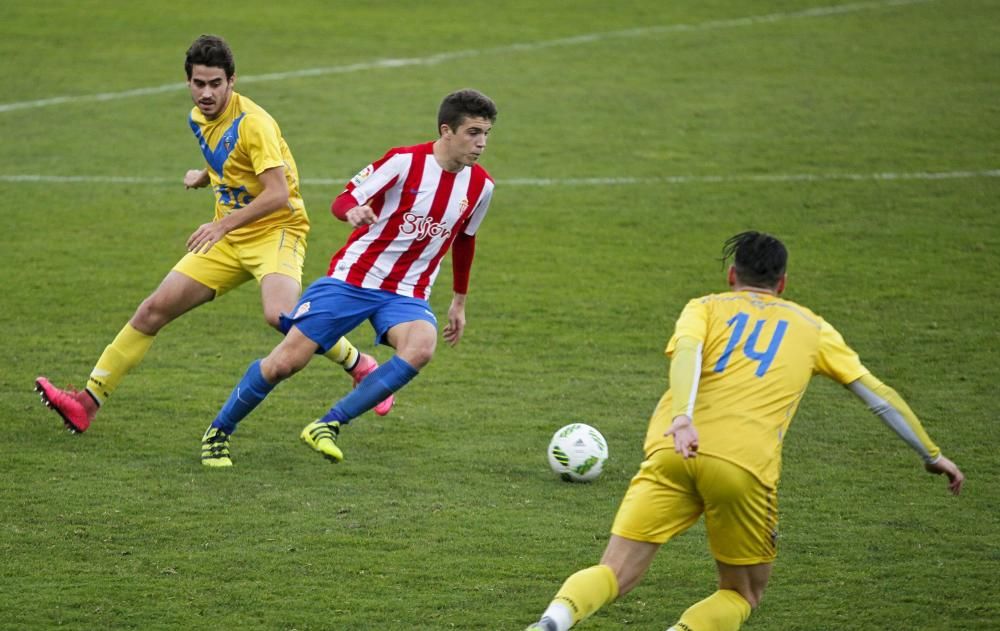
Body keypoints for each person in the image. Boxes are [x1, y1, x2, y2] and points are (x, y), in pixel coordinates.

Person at [525, 231, 964, 631]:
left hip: (673, 450)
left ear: (733, 275)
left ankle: (553, 620)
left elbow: (688, 355)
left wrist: (682, 418)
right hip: (743, 467)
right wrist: (931, 453)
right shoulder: (813, 327)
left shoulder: (705, 307)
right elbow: (879, 395)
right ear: (783, 282)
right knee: (742, 593)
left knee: (614, 572)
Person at [35, 34, 391, 443]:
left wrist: (222, 225)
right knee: (152, 310)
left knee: (281, 316)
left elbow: (278, 195)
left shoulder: (254, 123)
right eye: (199, 83)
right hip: (230, 236)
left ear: (232, 81)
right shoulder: (197, 117)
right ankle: (86, 403)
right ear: (188, 82)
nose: (206, 93)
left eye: (215, 84)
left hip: (277, 229)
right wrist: (205, 176)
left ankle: (361, 364)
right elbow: (228, 158)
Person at [198, 88, 498, 467]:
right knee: (285, 363)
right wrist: (353, 212)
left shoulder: (481, 186)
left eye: (486, 133)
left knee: (422, 346)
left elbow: (465, 240)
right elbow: (343, 200)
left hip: (407, 293)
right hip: (354, 280)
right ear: (446, 131)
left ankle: (327, 425)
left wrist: (459, 301)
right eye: (473, 132)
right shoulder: (404, 162)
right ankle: (219, 431)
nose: (481, 143)